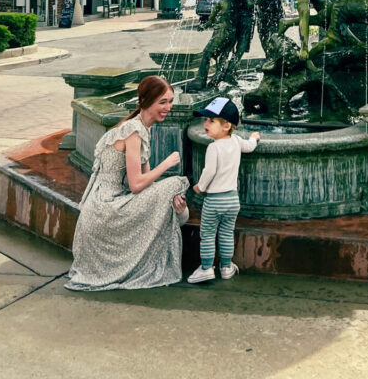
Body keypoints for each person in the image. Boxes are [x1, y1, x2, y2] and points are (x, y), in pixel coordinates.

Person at [65, 75, 189, 291]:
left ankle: (152, 250)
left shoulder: (140, 128)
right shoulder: (134, 131)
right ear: (146, 101)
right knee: (176, 183)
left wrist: (176, 206)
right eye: (162, 102)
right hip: (105, 209)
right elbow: (136, 185)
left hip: (104, 205)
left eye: (170, 101)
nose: (168, 107)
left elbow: (146, 184)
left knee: (179, 207)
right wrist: (167, 164)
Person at [187, 98, 260, 284]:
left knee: (208, 235)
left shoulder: (214, 147)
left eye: (211, 121)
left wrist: (199, 187)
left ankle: (206, 269)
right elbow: (250, 147)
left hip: (214, 201)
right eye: (206, 120)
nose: (205, 124)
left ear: (226, 125)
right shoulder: (236, 141)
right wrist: (254, 138)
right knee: (227, 233)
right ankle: (226, 267)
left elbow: (209, 171)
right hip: (232, 200)